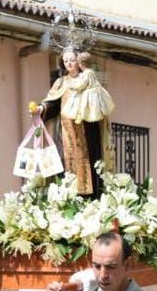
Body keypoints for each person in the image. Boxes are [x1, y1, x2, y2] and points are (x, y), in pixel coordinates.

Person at [30, 49, 115, 196]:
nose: (69, 63)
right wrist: (40, 108)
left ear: (80, 62)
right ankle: (68, 197)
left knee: (91, 163)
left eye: (72, 60)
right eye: (65, 61)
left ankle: (91, 198)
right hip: (66, 133)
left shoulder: (88, 79)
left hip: (87, 130)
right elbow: (53, 103)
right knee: (65, 165)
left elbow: (99, 104)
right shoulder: (61, 82)